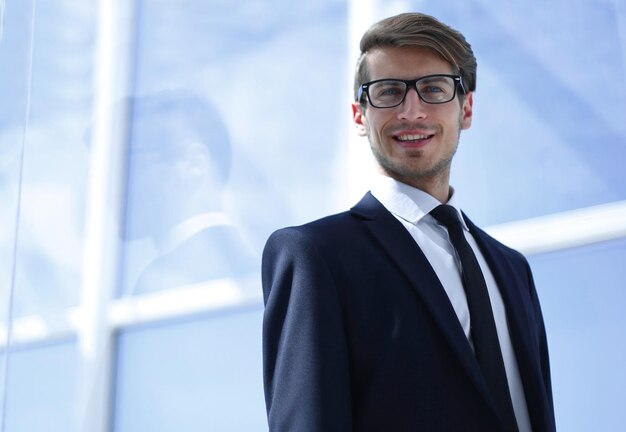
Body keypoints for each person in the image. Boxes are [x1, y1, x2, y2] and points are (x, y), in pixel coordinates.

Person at [261, 12, 556, 432]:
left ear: (466, 108)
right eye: (388, 92)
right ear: (360, 115)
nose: (411, 111)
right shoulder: (317, 255)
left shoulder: (513, 270)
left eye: (433, 89)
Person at [122, 91, 258, 295]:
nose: (104, 193)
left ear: (192, 165)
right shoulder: (254, 267)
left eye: (123, 164)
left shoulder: (166, 280)